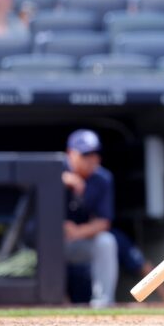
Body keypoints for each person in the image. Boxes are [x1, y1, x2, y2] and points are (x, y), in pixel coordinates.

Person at [62, 129, 119, 308]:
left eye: (95, 154)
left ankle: (103, 303)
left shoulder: (102, 178)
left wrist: (78, 231)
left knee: (106, 242)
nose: (92, 159)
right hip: (43, 245)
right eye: (85, 154)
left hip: (76, 241)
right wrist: (59, 179)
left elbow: (104, 222)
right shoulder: (54, 168)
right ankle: (48, 302)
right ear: (70, 153)